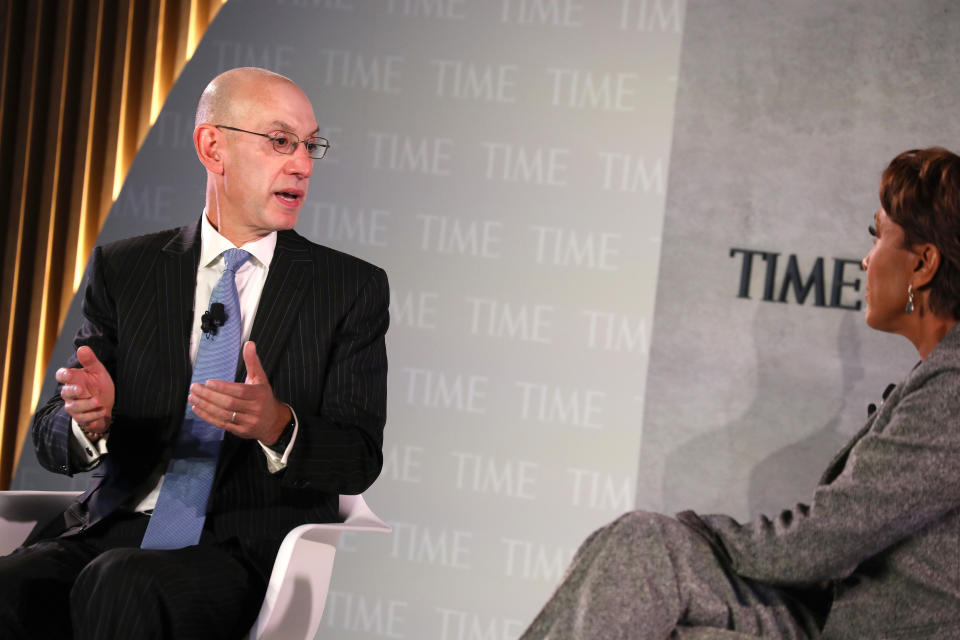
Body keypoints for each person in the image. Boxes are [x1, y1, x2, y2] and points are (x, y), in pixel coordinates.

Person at [0, 67, 389, 639]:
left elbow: (359, 457)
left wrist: (278, 424)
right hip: (114, 526)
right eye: (281, 141)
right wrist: (88, 421)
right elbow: (52, 433)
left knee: (122, 582)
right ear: (214, 147)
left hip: (238, 550)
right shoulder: (126, 268)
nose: (302, 164)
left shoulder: (348, 288)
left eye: (310, 145)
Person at [519, 147, 960, 640]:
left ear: (923, 264)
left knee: (650, 553)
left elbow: (823, 542)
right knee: (646, 559)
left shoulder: (954, 387)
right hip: (827, 620)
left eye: (877, 236)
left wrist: (702, 537)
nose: (865, 258)